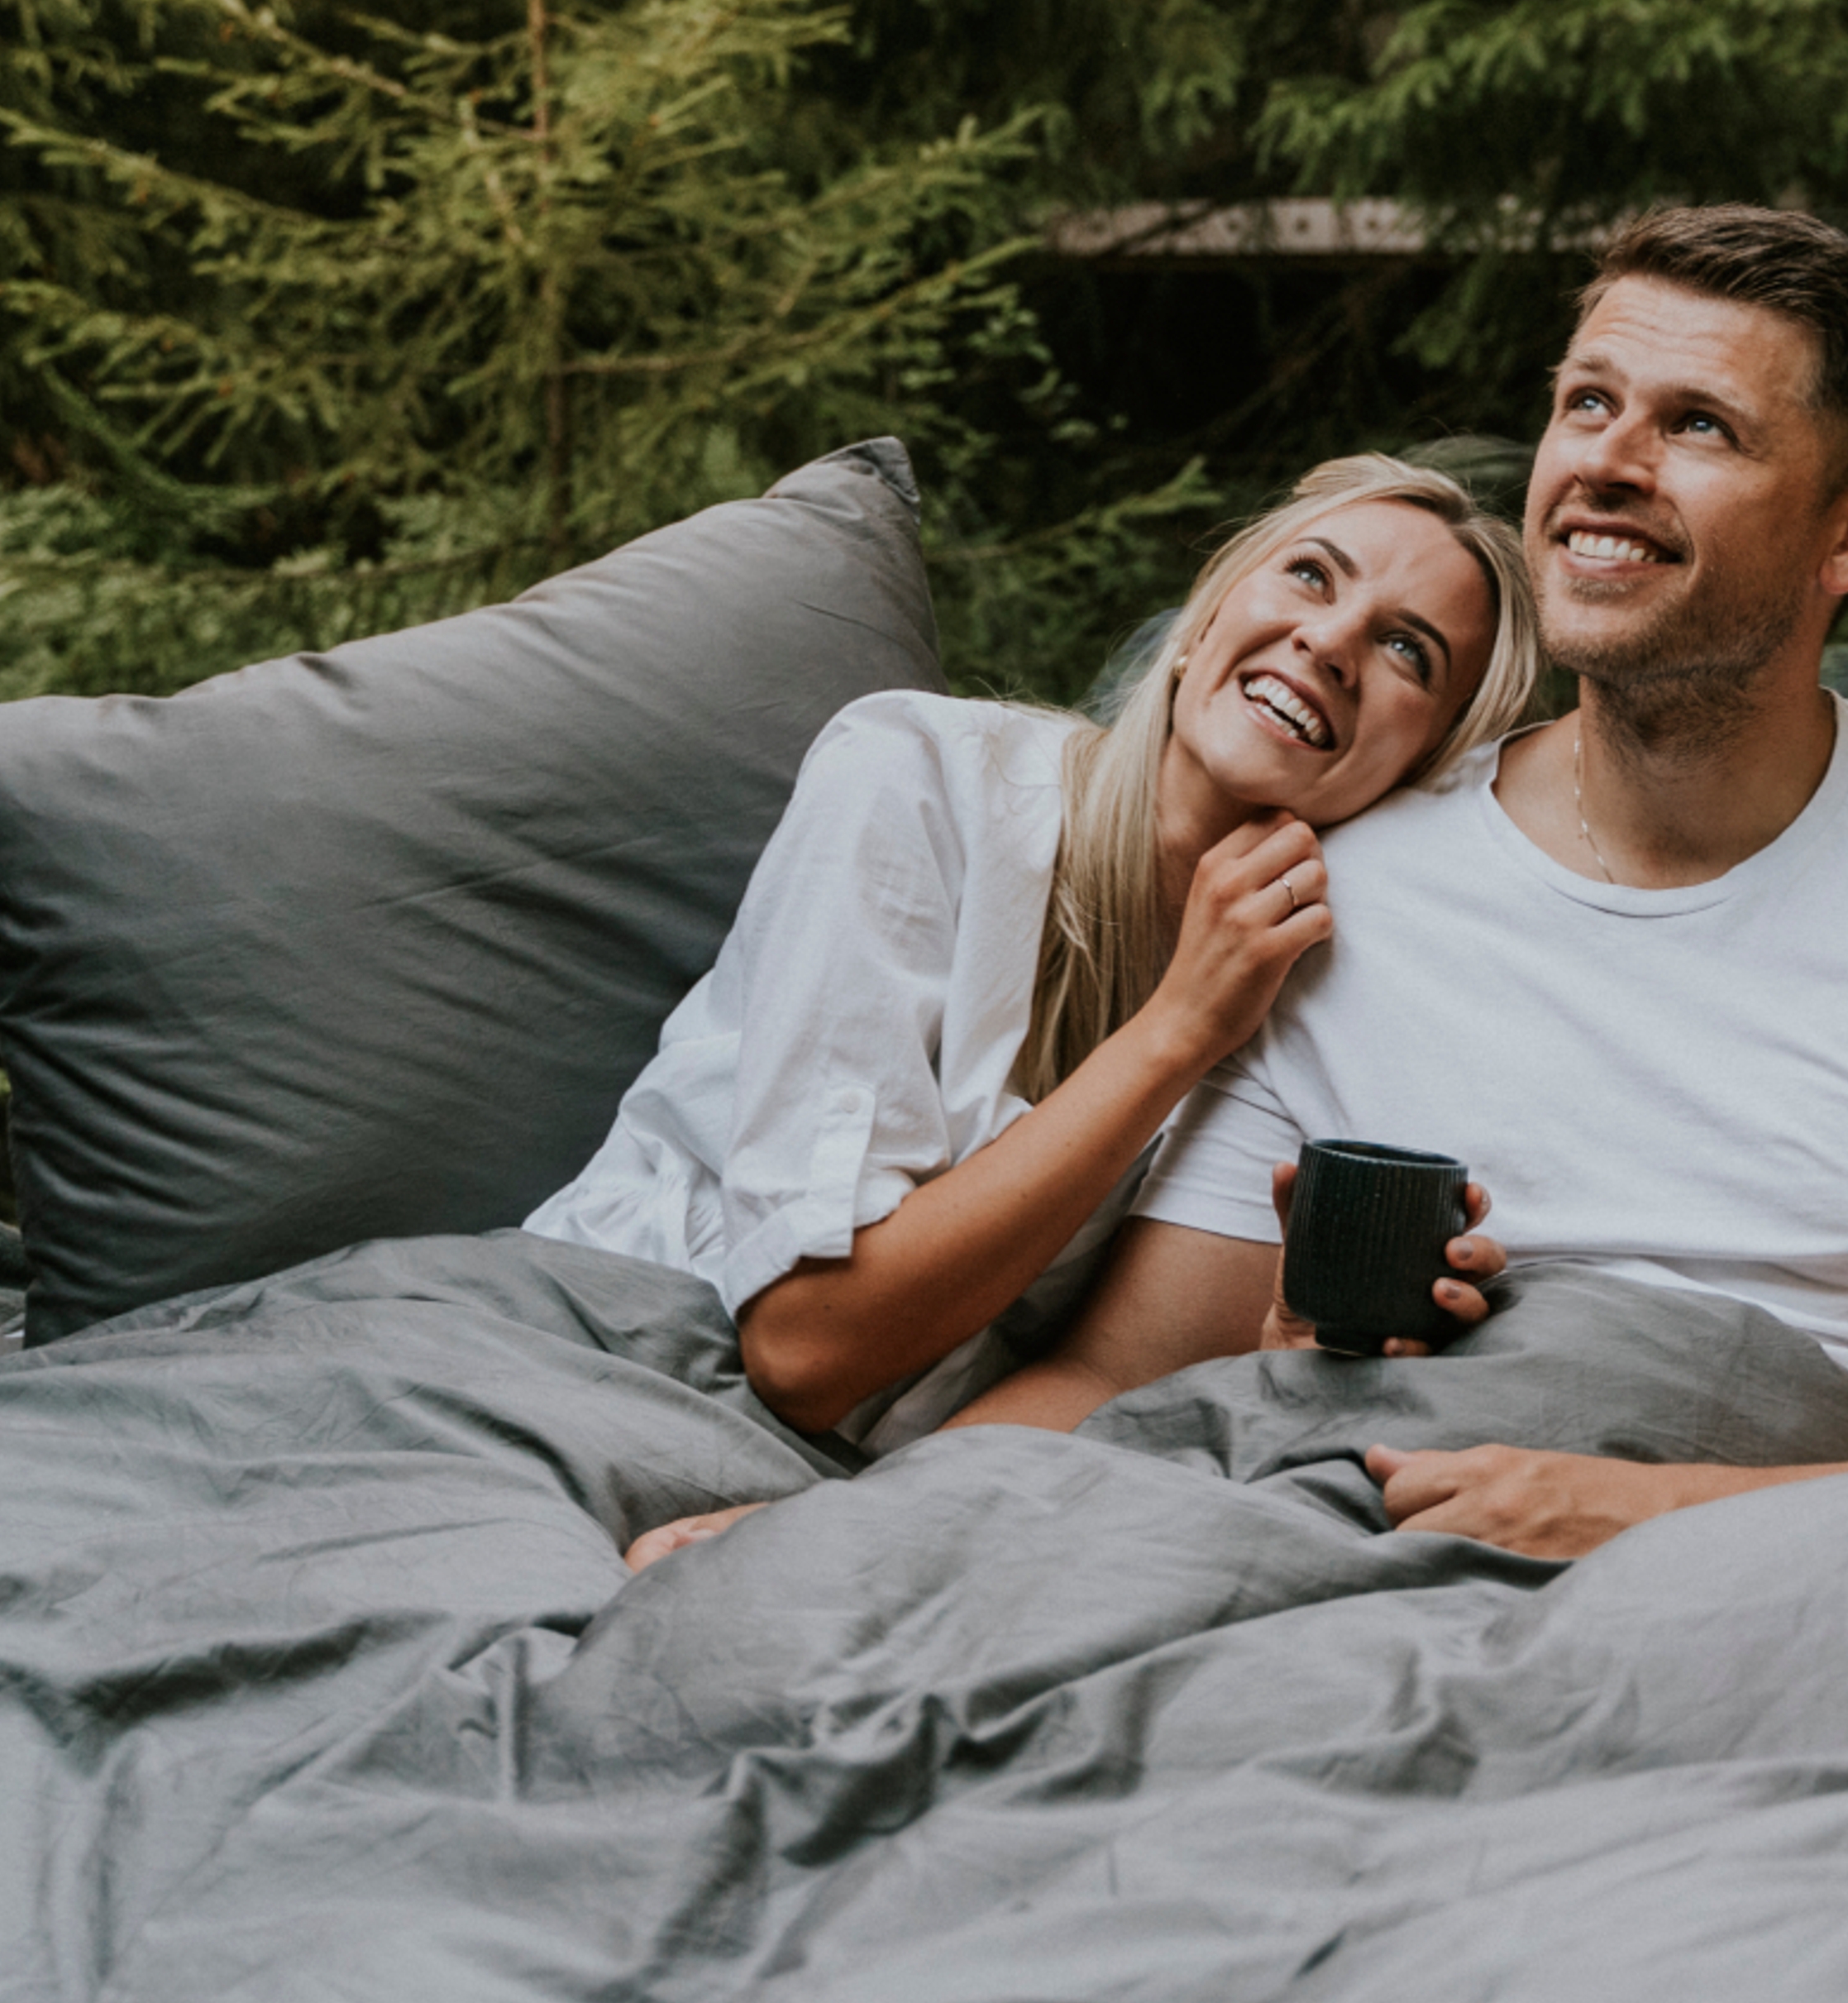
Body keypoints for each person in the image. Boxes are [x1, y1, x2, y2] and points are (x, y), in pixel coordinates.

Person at [632, 203, 1848, 1574]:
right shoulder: (1345, 895)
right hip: (1381, 1558)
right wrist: (853, 1544)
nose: (1608, 462)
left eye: (1698, 427)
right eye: (1588, 403)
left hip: (1838, 1581)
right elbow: (1128, 1378)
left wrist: (1657, 1516)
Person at [527, 453, 1542, 1451]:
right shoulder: (917, 778)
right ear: (1203, 623)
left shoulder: (1321, 999)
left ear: (1423, 770)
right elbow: (804, 1350)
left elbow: (1103, 1376)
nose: (1328, 640)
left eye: (1409, 650)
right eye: (1312, 575)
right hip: (612, 1342)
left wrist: (1271, 1353)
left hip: (894, 1471)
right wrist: (1177, 1030)